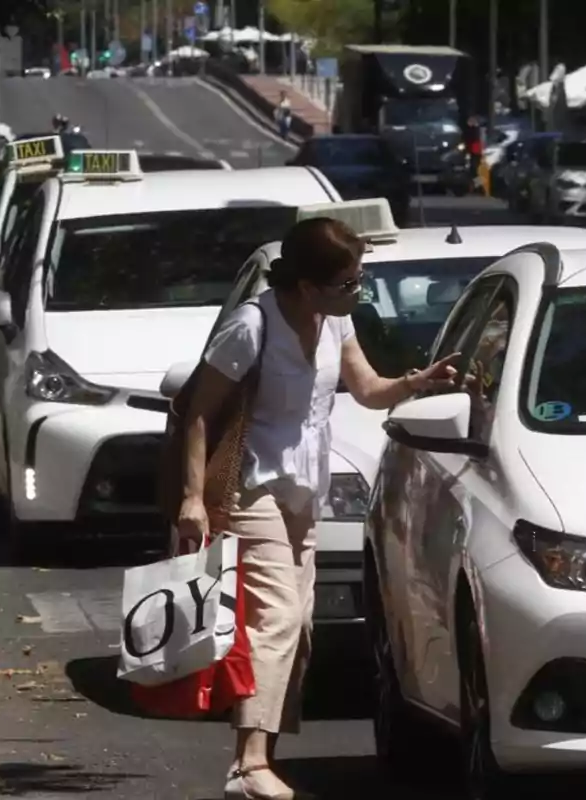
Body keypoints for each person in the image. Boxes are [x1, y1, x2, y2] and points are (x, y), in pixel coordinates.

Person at [176, 217, 459, 800]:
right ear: (306, 285)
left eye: (360, 280)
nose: (358, 292)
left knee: (299, 626)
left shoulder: (336, 321)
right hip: (250, 487)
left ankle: (258, 759)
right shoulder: (252, 325)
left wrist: (417, 382)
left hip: (306, 489)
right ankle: (248, 766)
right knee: (276, 616)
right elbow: (197, 411)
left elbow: (367, 389)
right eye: (348, 284)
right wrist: (190, 498)